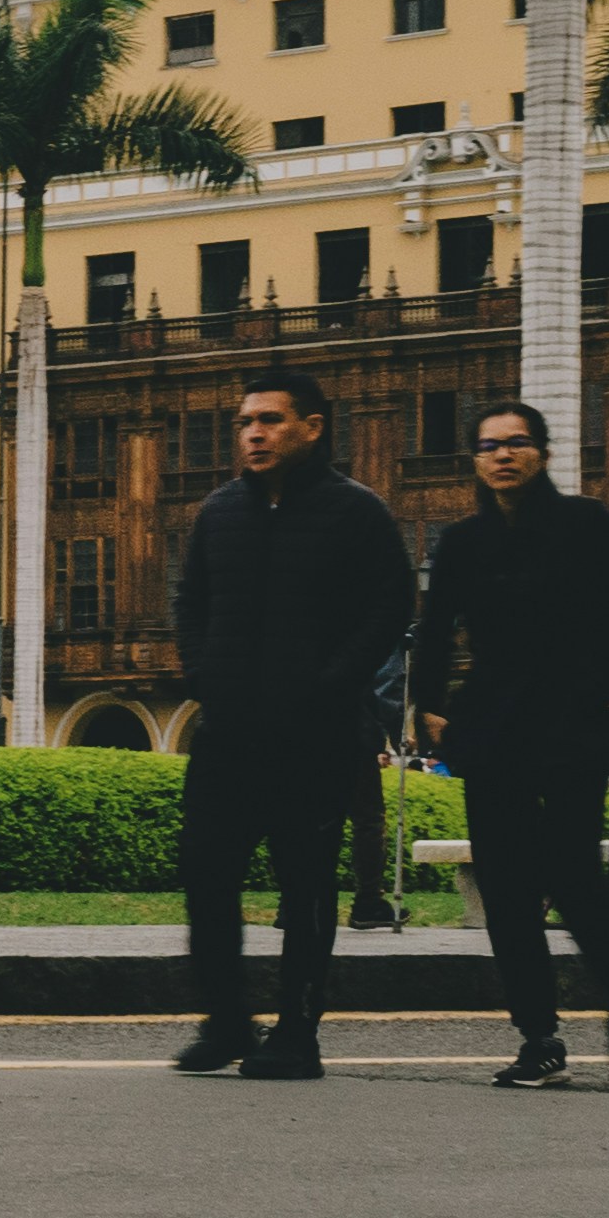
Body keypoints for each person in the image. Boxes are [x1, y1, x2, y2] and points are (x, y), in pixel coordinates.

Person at [405, 398, 609, 1085]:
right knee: (508, 887)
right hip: (492, 727)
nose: (503, 455)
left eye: (517, 443)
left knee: (571, 872)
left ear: (542, 453)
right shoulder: (463, 542)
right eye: (489, 446)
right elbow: (434, 630)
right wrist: (426, 707)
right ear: (476, 460)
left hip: (578, 720)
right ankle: (538, 1037)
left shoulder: (586, 523)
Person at [169, 365, 411, 1083]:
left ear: (312, 427)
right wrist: (202, 672)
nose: (254, 434)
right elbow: (191, 601)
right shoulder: (219, 512)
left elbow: (391, 607)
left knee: (305, 886)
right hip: (228, 733)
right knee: (206, 874)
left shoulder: (356, 511)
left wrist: (334, 681)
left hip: (316, 735)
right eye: (246, 422)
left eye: (271, 420)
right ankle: (225, 1021)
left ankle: (297, 1031)